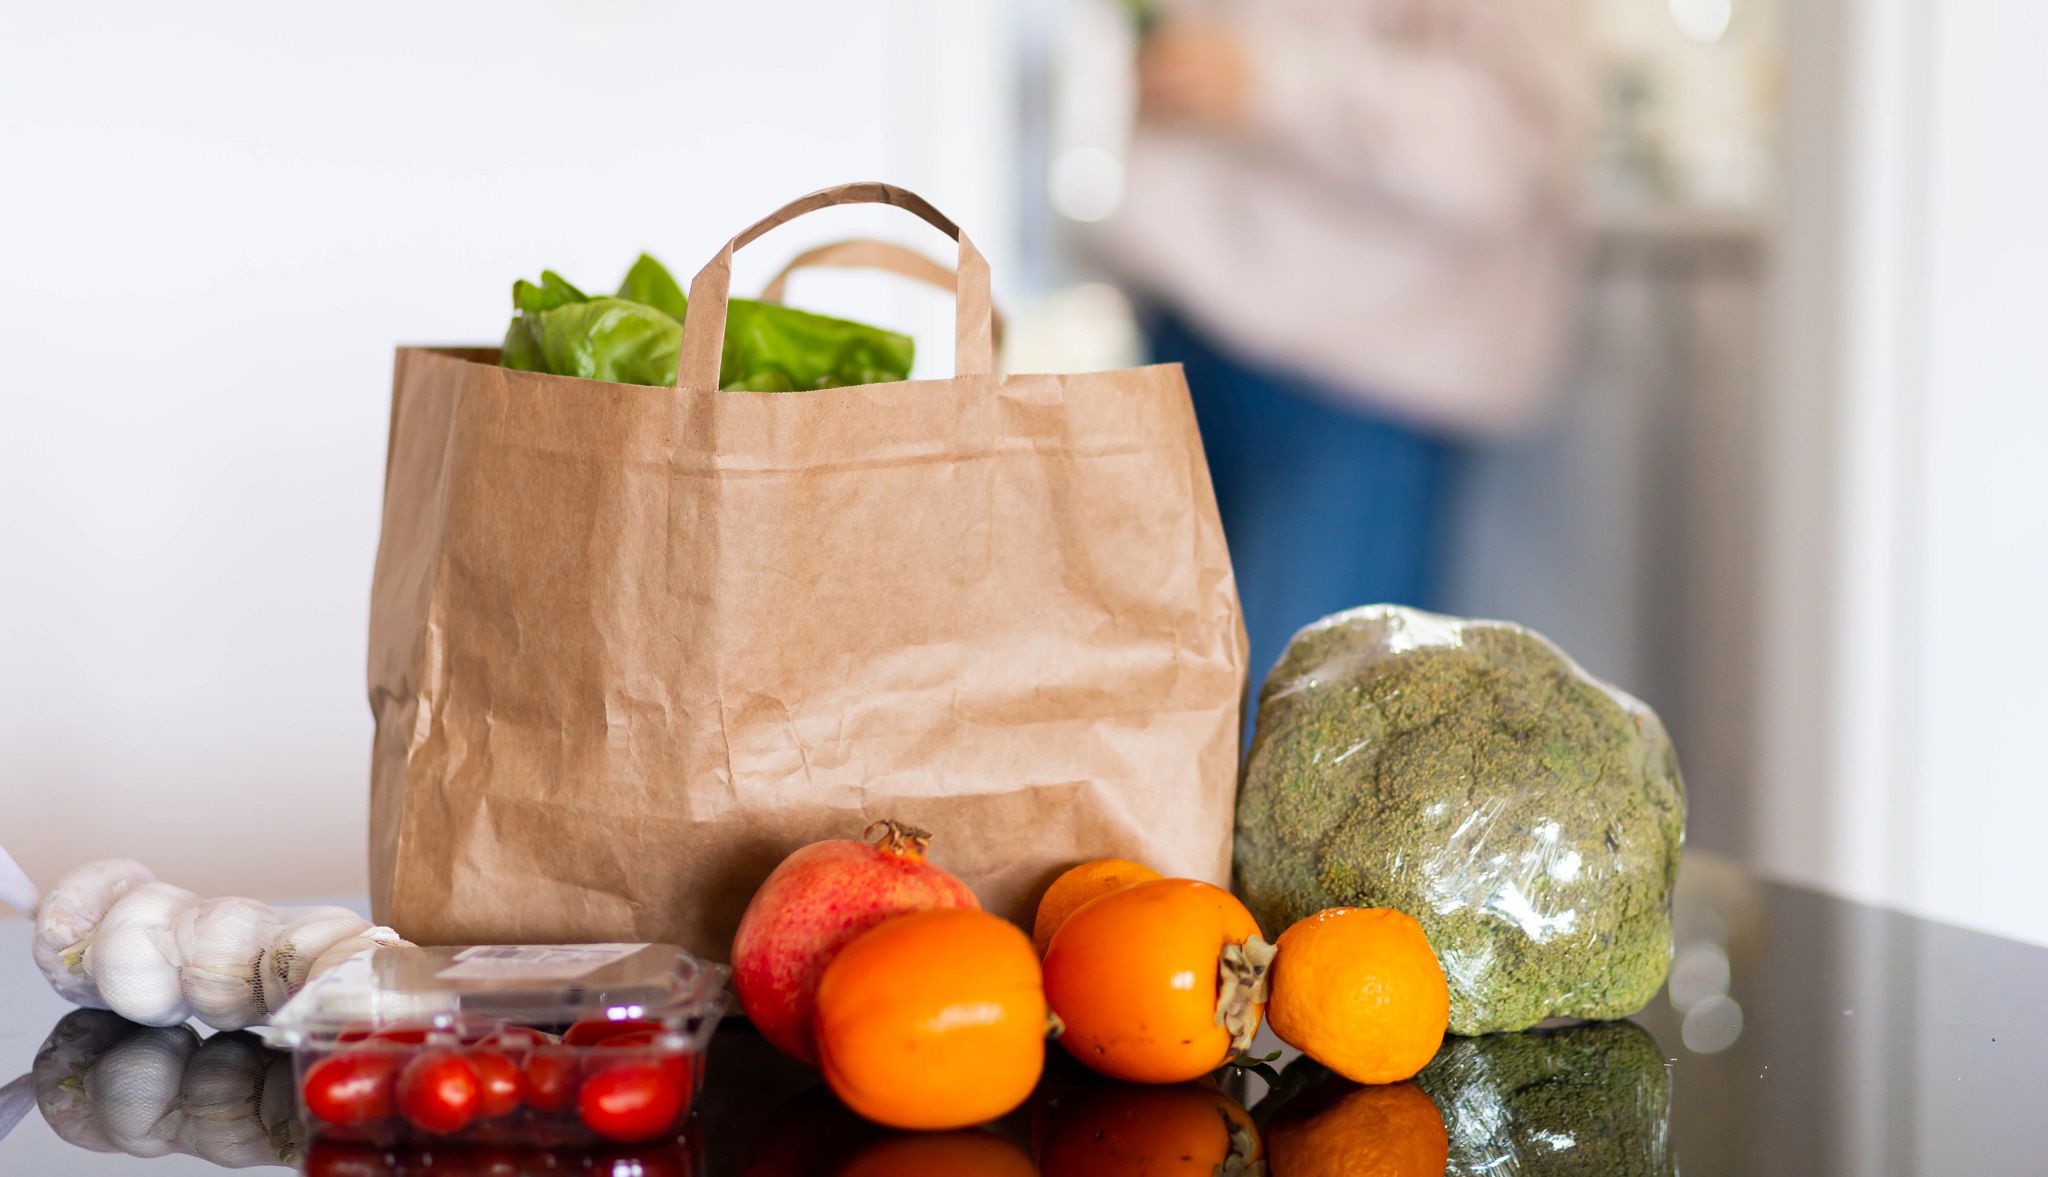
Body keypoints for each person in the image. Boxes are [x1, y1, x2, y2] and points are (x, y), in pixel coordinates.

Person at [1092, 0, 1591, 691]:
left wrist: (1271, 81)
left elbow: (1502, 143)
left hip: (1367, 368)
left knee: (1303, 753)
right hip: (1185, 322)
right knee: (1159, 731)